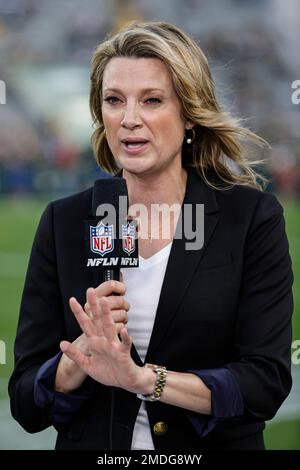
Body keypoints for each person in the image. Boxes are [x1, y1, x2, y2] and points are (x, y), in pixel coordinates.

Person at [9, 21, 293, 451]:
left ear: (189, 114)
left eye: (152, 100)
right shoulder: (63, 223)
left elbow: (265, 382)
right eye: (114, 100)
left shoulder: (250, 218)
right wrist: (78, 360)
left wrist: (145, 380)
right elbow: (25, 402)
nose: (130, 119)